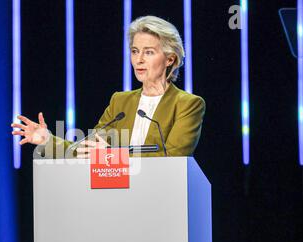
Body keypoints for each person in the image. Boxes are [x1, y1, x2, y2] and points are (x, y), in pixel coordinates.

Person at [11, 15, 205, 158]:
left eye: (149, 52)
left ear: (170, 58)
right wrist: (47, 139)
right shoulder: (120, 101)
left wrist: (112, 156)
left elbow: (173, 157)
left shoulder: (188, 104)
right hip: (117, 196)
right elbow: (87, 150)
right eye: (135, 51)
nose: (139, 60)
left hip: (162, 198)